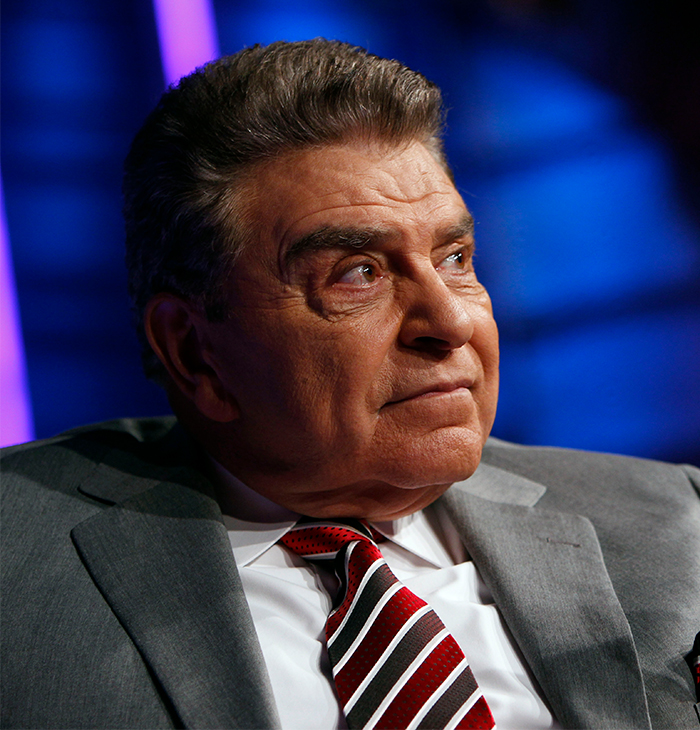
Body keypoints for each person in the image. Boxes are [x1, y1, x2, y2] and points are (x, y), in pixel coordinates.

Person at [1, 39, 698, 730]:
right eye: (358, 274)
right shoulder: (18, 561)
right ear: (194, 352)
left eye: (455, 258)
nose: (451, 322)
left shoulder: (674, 524)